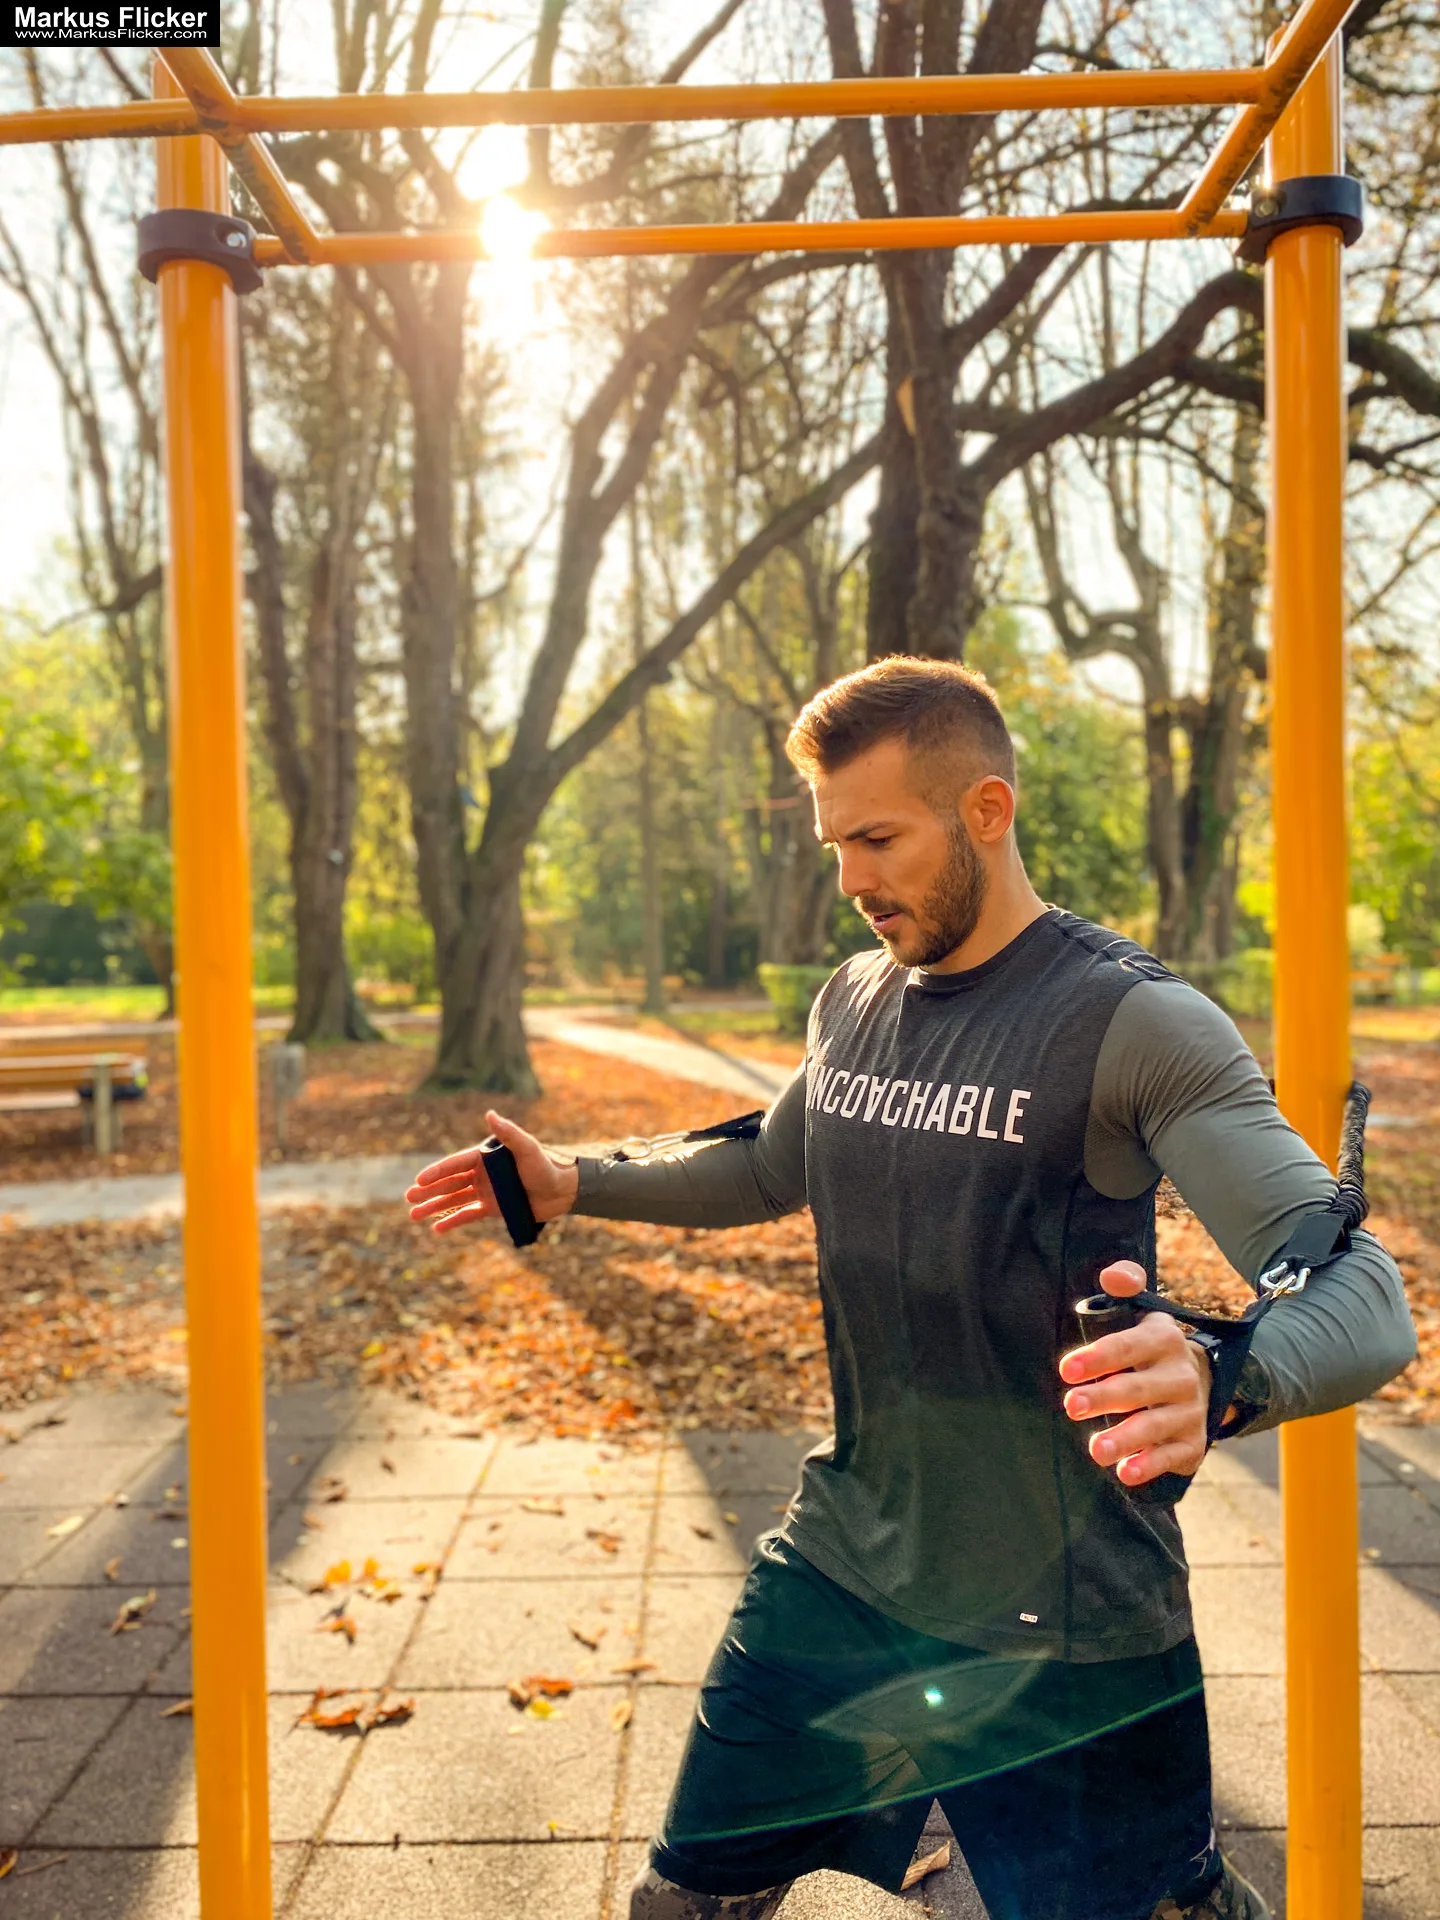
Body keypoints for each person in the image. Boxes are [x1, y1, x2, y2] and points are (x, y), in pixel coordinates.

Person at [407, 658, 1416, 1920]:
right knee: (687, 1900)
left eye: (878, 838)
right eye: (837, 844)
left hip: (1065, 1628)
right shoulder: (856, 997)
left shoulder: (1134, 1024)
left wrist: (1221, 1371)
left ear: (986, 811)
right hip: (843, 1566)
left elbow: (1368, 1299)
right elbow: (775, 1163)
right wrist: (574, 1182)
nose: (852, 880)